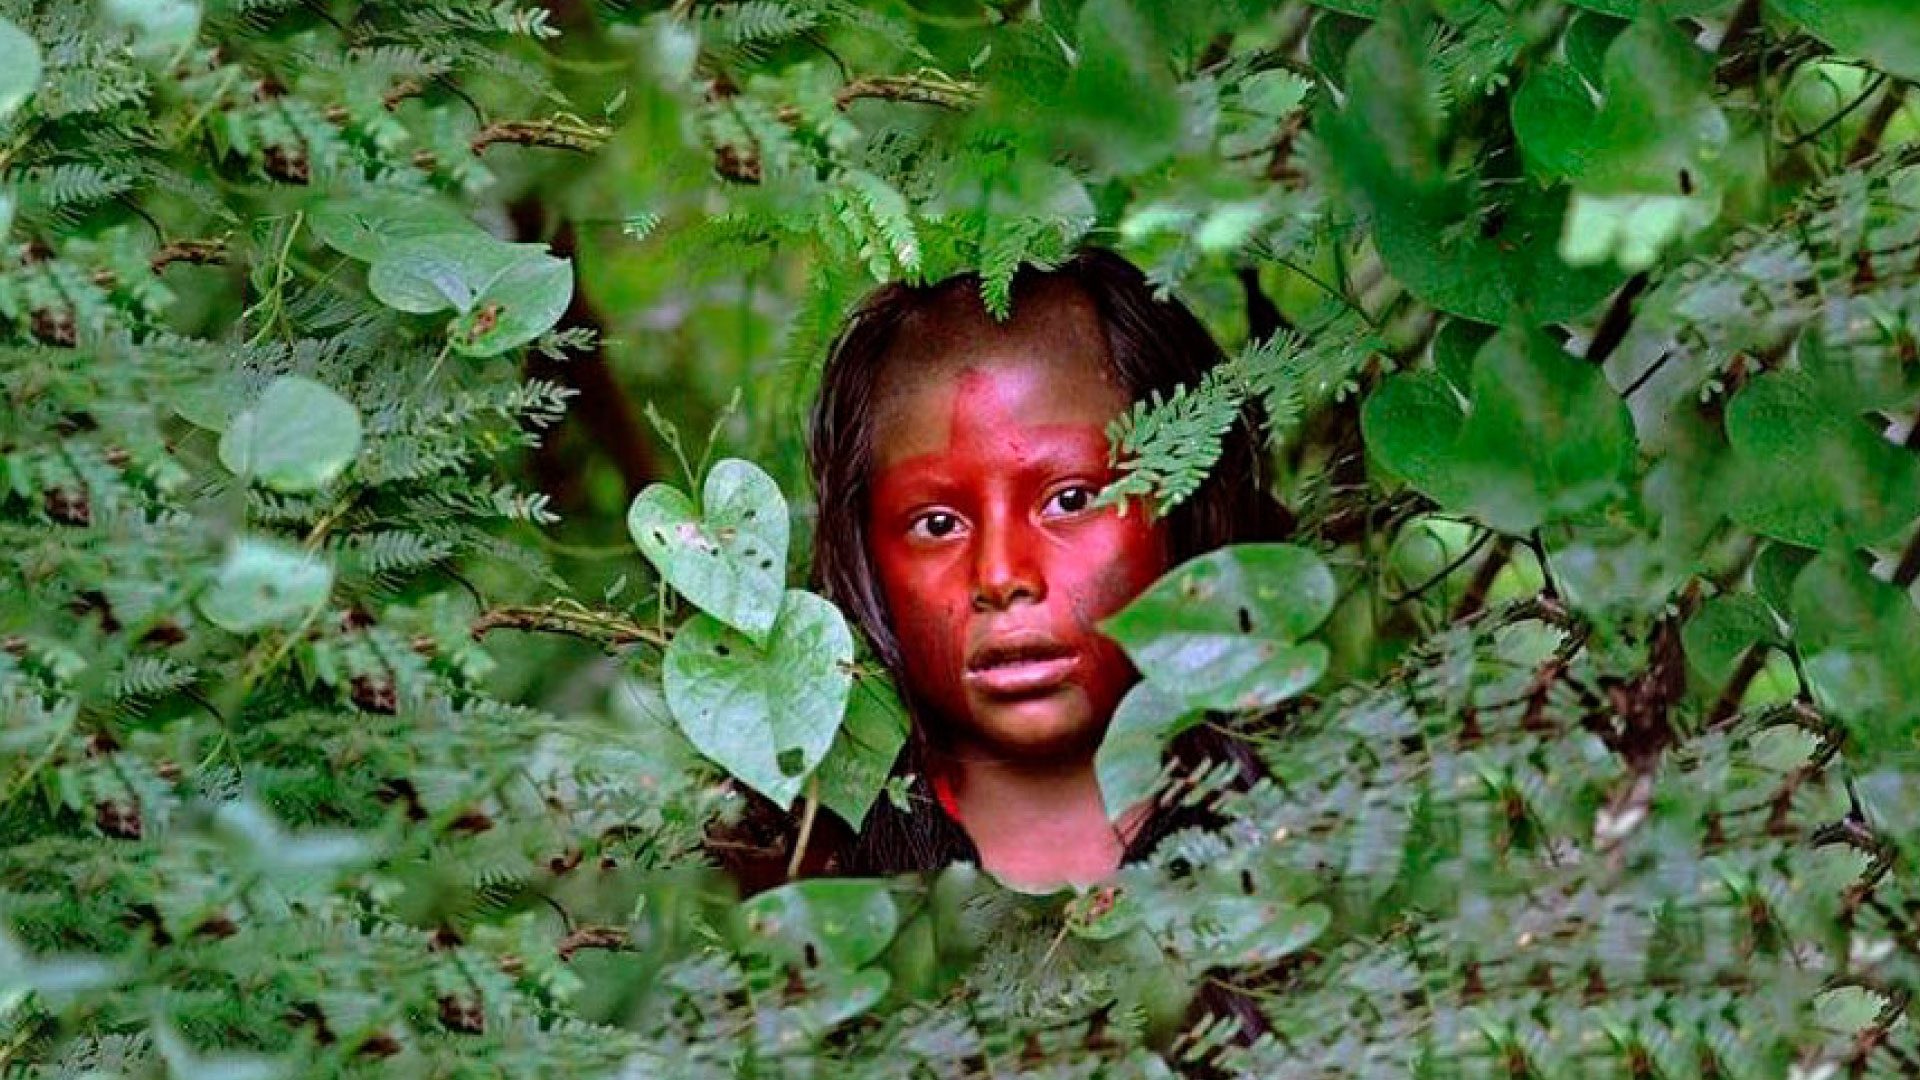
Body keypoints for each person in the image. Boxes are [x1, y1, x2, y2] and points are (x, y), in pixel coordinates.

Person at [807, 247, 1289, 888]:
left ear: (1183, 498)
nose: (1002, 576)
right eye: (938, 524)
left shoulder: (1338, 815)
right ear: (865, 556)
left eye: (1070, 500)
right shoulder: (805, 871)